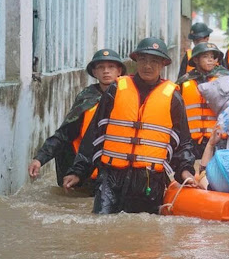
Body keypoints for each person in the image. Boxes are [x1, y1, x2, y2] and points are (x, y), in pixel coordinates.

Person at [62, 38, 197, 214]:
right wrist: (78, 172)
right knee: (101, 226)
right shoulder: (116, 89)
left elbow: (183, 142)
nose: (148, 66)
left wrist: (186, 172)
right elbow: (94, 134)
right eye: (143, 60)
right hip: (111, 178)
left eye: (154, 61)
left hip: (149, 182)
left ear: (163, 63)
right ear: (136, 61)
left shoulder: (173, 97)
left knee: (144, 234)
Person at [28, 49, 126, 188]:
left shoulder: (128, 98)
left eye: (111, 67)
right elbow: (64, 133)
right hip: (86, 171)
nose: (106, 71)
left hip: (117, 171)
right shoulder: (86, 98)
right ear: (94, 72)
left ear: (119, 71)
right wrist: (39, 159)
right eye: (101, 67)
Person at [176, 42, 229, 158]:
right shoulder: (184, 82)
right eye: (205, 56)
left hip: (218, 140)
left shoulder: (225, 79)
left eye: (212, 57)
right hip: (190, 141)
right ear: (196, 59)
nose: (210, 60)